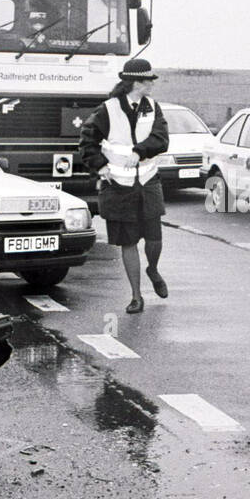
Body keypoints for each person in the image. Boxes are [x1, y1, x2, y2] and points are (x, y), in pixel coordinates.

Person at [78, 57, 170, 313]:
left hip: (148, 182)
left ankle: (153, 269)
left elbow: (161, 139)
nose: (151, 84)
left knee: (154, 238)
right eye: (147, 80)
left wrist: (140, 152)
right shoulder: (107, 109)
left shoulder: (152, 106)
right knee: (128, 242)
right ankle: (136, 296)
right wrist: (100, 166)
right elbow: (87, 141)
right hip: (118, 187)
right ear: (134, 82)